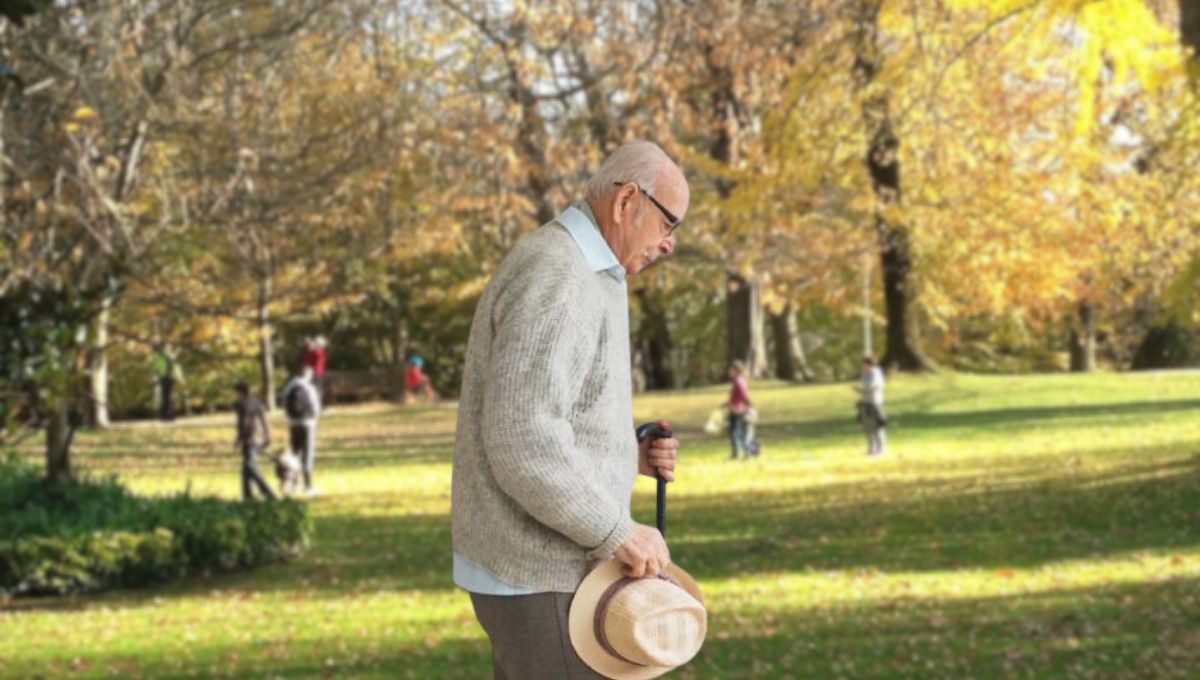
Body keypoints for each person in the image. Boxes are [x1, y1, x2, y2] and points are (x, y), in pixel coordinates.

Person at [451, 140, 686, 679]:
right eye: (668, 223)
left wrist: (626, 453)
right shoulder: (559, 274)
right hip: (542, 577)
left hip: (555, 571)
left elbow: (556, 411)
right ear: (627, 201)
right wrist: (618, 531)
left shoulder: (590, 272)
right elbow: (521, 438)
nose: (669, 245)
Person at [281, 366, 322, 496]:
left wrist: (289, 418)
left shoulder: (289, 388)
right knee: (307, 454)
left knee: (295, 454)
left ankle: (294, 484)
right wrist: (314, 419)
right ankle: (308, 486)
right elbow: (316, 407)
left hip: (293, 424)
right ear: (308, 375)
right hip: (307, 424)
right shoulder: (309, 388)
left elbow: (283, 404)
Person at [233, 382, 275, 500]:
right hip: (260, 437)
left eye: (236, 393)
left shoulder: (243, 405)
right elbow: (265, 419)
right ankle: (247, 495)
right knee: (245, 468)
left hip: (250, 439)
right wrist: (268, 435)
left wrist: (239, 439)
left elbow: (244, 424)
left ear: (240, 392)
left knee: (250, 466)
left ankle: (267, 491)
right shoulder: (257, 402)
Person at [722, 360, 758, 459]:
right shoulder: (737, 381)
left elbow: (744, 396)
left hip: (738, 410)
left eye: (731, 369)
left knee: (736, 433)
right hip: (735, 409)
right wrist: (726, 404)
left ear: (736, 370)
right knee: (736, 432)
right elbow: (736, 397)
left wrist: (748, 406)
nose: (729, 371)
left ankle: (741, 453)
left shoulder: (738, 381)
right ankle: (740, 453)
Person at [855, 355, 887, 456]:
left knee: (877, 426)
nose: (862, 366)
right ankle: (871, 448)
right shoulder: (864, 374)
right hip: (865, 402)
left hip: (875, 403)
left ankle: (881, 448)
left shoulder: (875, 372)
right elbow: (863, 385)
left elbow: (874, 386)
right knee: (867, 426)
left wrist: (861, 389)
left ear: (869, 364)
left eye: (864, 364)